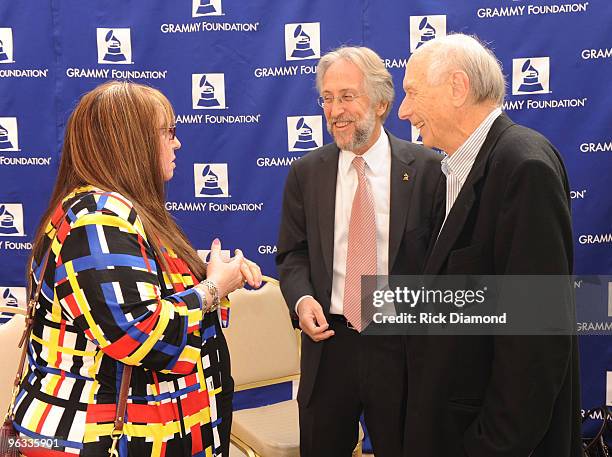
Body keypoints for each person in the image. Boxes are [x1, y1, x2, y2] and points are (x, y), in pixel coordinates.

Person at [11, 81, 262, 456]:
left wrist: (212, 272)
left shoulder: (119, 212)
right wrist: (213, 288)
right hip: (98, 436)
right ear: (132, 140)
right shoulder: (97, 219)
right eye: (169, 132)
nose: (177, 144)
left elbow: (141, 281)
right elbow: (140, 333)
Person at [398, 33, 581, 456]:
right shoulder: (451, 168)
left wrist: (491, 446)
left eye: (411, 92)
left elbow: (536, 342)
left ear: (457, 87)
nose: (404, 110)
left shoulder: (523, 166)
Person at [276, 46, 442, 457]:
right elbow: (291, 254)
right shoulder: (306, 173)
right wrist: (302, 300)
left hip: (400, 347)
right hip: (329, 345)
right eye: (328, 98)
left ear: (382, 102)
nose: (335, 110)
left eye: (347, 96)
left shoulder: (428, 171)